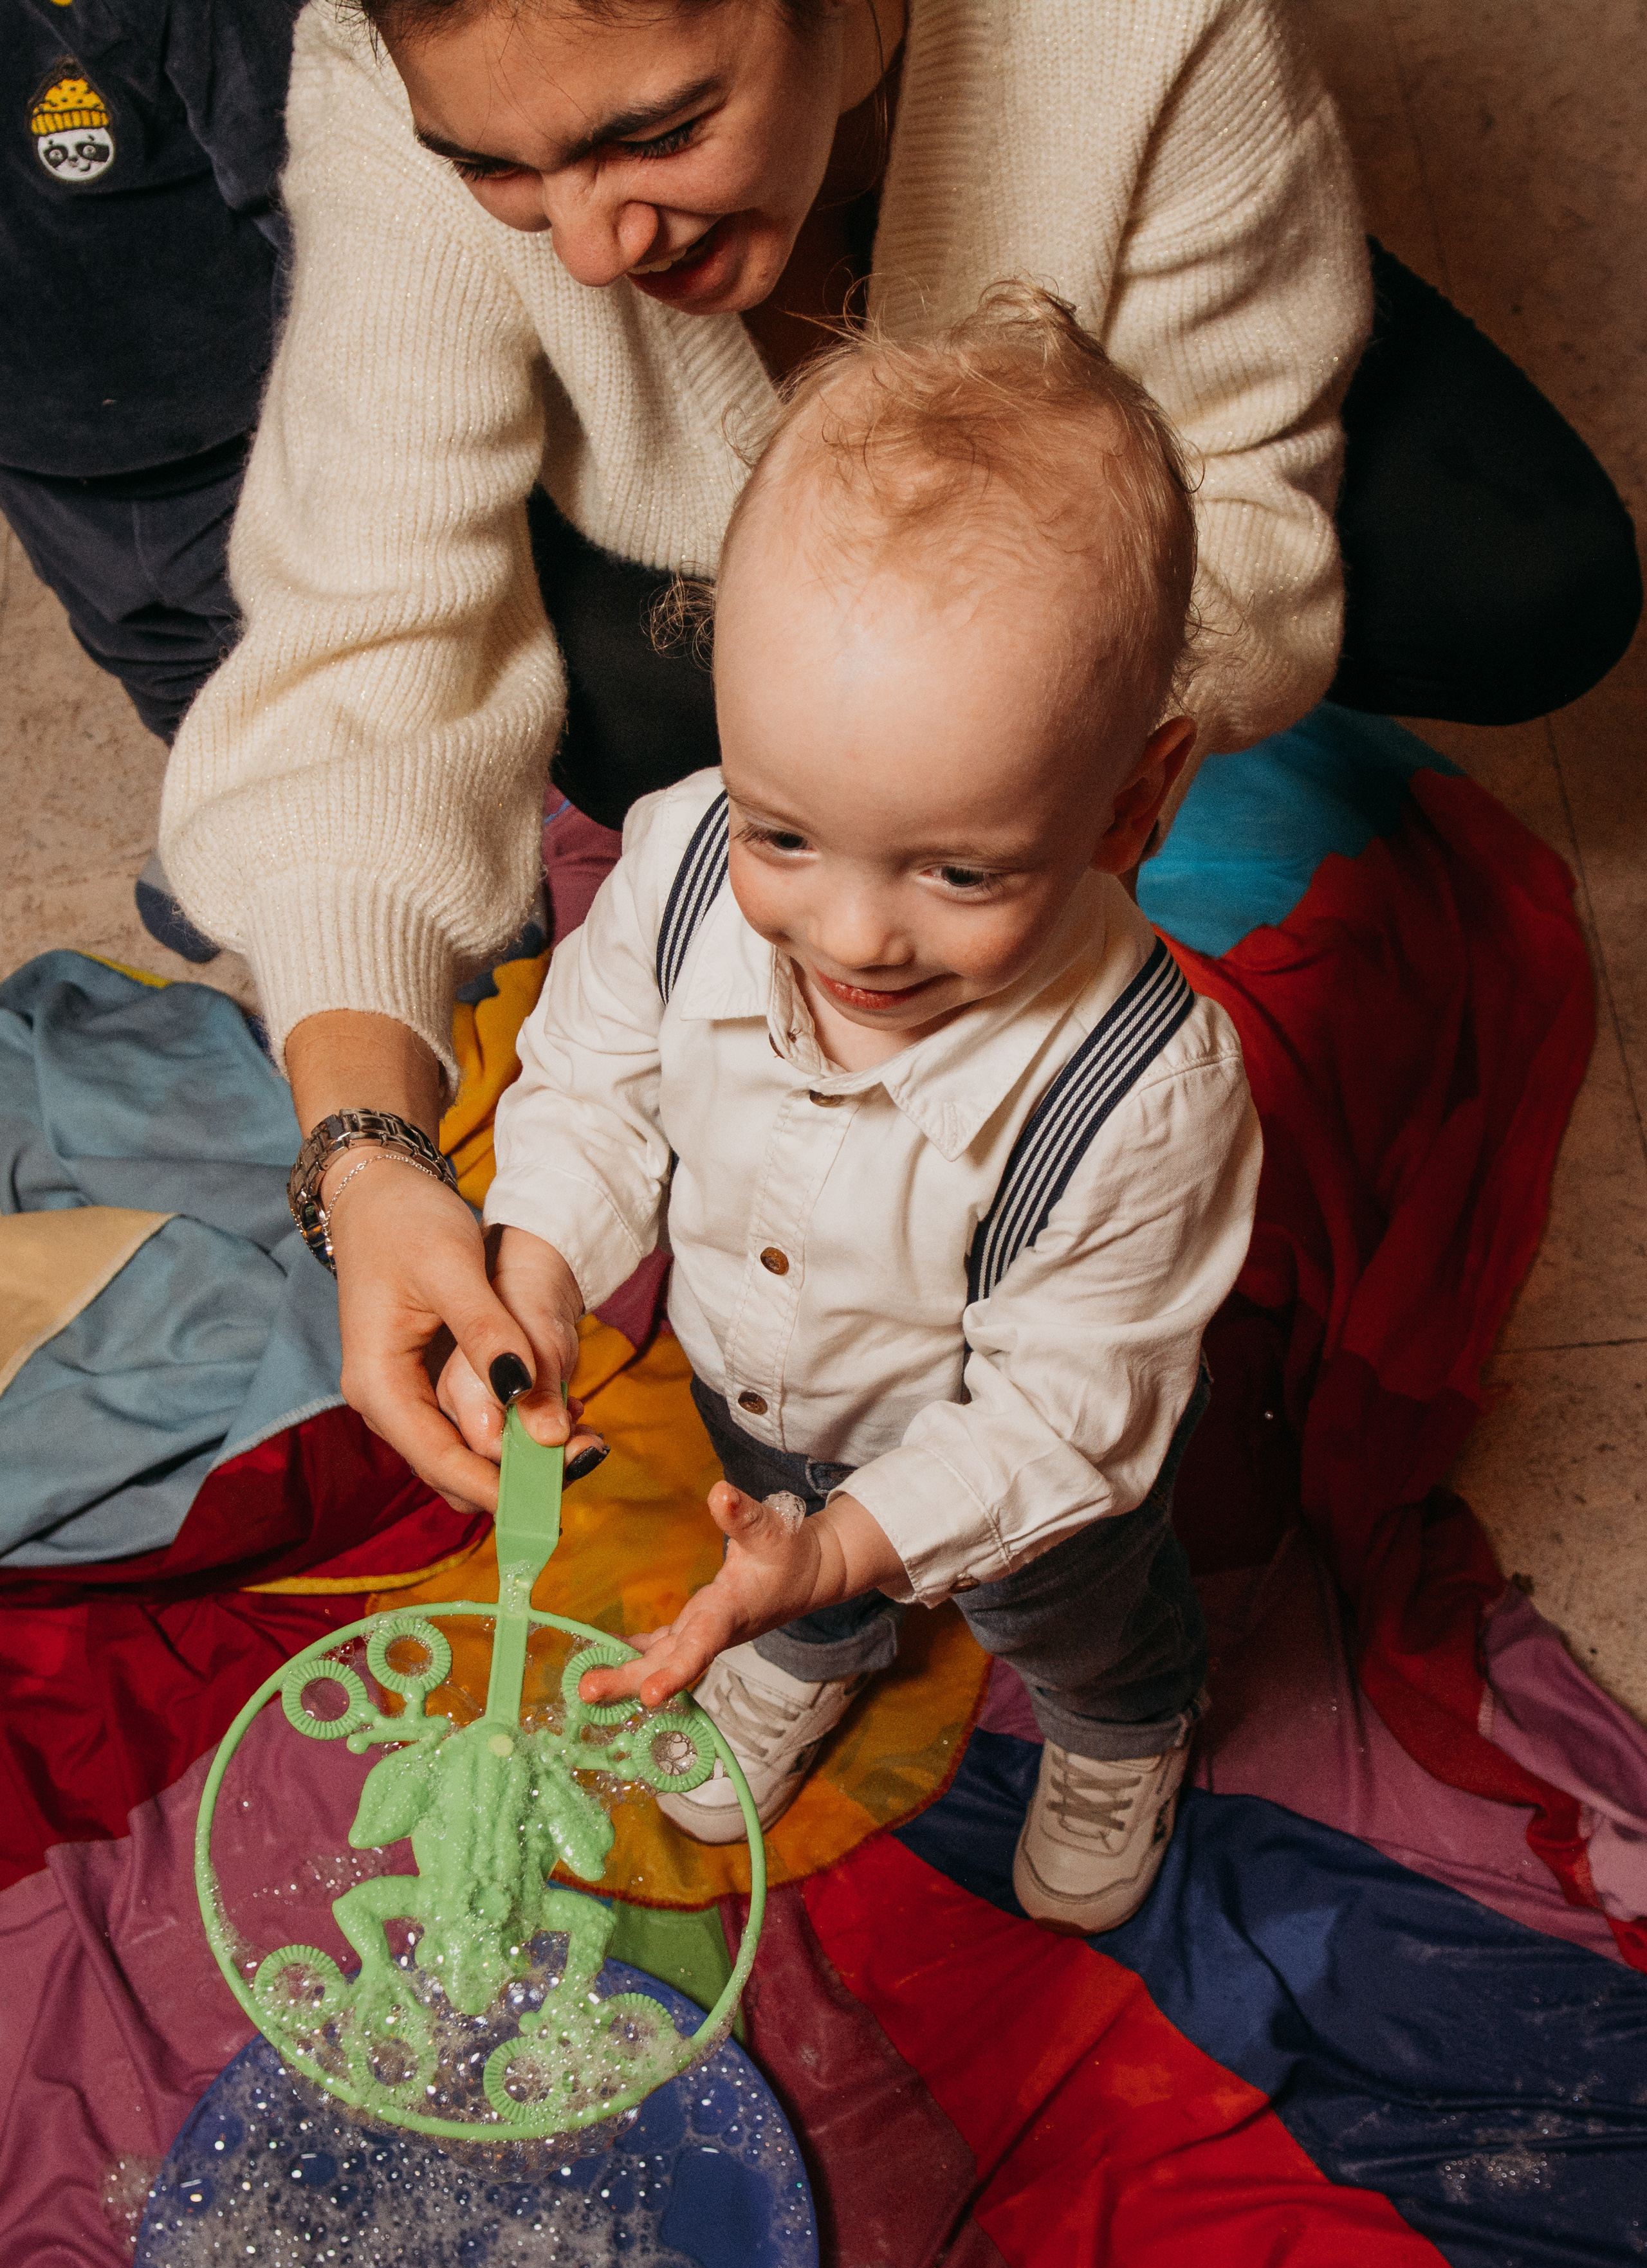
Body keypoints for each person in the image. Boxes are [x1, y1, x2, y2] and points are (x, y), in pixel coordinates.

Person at [157, 0, 1635, 1514]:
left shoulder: (1145, 32)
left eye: (659, 130)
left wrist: (1007, 716)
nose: (589, 253)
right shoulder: (383, 58)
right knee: (633, 700)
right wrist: (369, 1153)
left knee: (1535, 582)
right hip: (732, 599)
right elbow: (367, 640)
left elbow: (1239, 499)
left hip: (1135, 501)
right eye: (495, 168)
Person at [438, 293, 1262, 1930]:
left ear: (1133, 801)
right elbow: (597, 1079)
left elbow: (1065, 1414)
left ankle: (1121, 1726)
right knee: (768, 1519)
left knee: (1071, 1611)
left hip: (1013, 1468)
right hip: (759, 1381)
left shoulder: (1143, 1096)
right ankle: (806, 1640)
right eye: (787, 834)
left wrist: (854, 1540)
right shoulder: (680, 859)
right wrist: (535, 1261)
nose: (853, 934)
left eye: (959, 871)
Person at [1, 0, 305, 960]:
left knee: (325, 652)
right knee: (153, 654)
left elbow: (302, 181)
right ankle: (225, 795)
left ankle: (420, 838)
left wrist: (344, 404)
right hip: (39, 443)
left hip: (238, 419)